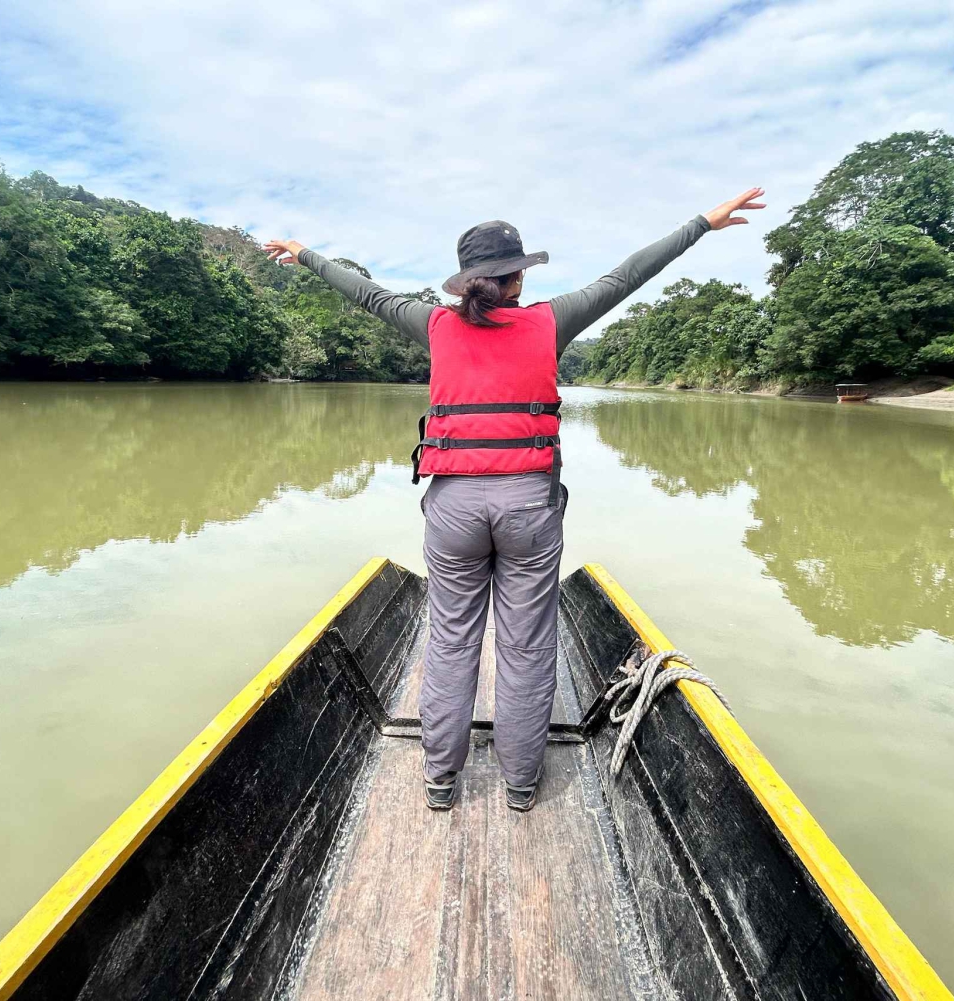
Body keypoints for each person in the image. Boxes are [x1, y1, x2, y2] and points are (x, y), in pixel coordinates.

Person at [264, 188, 765, 812]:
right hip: (529, 507)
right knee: (527, 647)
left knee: (450, 642)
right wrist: (701, 224)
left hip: (452, 511)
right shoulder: (551, 321)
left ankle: (441, 784)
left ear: (463, 283)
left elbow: (366, 292)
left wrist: (303, 252)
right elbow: (629, 276)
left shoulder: (434, 323)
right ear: (518, 277)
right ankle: (522, 786)